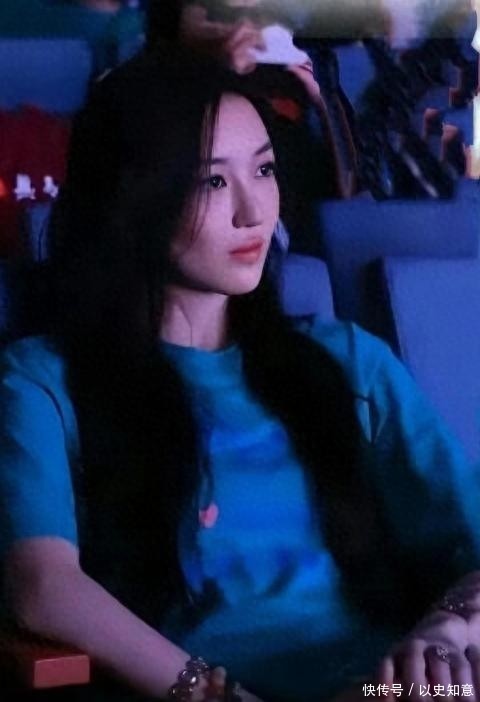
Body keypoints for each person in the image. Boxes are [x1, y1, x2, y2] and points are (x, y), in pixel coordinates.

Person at [1, 48, 480, 702]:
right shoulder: (42, 381)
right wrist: (207, 692)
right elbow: (43, 586)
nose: (255, 213)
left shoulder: (347, 360)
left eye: (264, 169)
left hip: (382, 691)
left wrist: (445, 631)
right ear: (132, 197)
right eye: (213, 182)